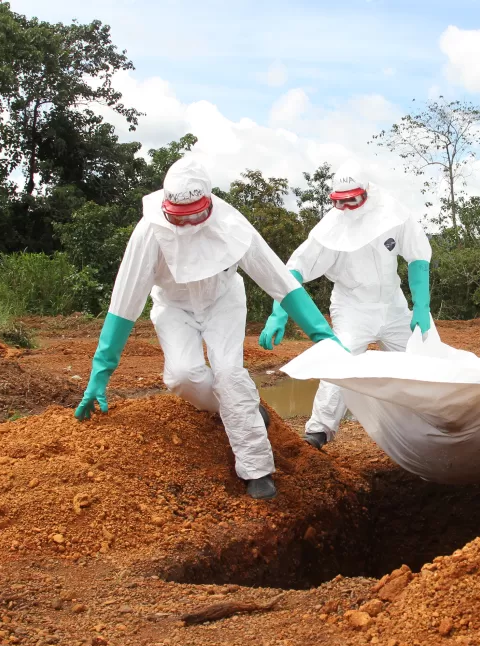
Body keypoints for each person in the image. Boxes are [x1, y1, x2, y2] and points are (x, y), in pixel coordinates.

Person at [75, 155, 345, 500]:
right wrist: (100, 372)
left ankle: (257, 471)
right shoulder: (149, 234)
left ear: (209, 207)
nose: (187, 225)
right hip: (174, 307)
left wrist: (322, 335)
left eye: (195, 217)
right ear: (166, 207)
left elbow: (280, 281)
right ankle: (246, 406)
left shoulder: (233, 225)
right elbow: (124, 304)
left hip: (223, 303)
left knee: (229, 373)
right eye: (179, 218)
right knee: (182, 376)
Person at [259, 160, 432, 449]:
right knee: (340, 362)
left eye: (353, 199)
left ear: (367, 192)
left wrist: (422, 306)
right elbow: (295, 270)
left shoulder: (394, 214)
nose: (348, 207)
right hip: (352, 307)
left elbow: (417, 257)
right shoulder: (330, 230)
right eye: (340, 202)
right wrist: (279, 313)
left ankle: (430, 426)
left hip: (393, 305)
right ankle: (320, 430)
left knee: (419, 362)